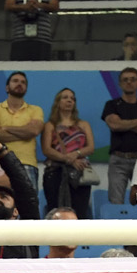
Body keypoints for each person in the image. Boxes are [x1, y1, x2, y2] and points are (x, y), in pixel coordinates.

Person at [100, 68, 137, 206]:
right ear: (120, 84)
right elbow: (114, 125)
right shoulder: (111, 105)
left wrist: (123, 123)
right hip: (118, 160)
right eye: (125, 79)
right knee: (116, 202)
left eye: (133, 79)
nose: (129, 82)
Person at [38, 87, 95, 217]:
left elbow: (90, 147)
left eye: (72, 98)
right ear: (58, 102)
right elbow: (47, 150)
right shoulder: (50, 125)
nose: (69, 100)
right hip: (55, 173)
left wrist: (76, 154)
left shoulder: (83, 124)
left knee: (79, 212)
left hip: (79, 173)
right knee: (55, 212)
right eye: (65, 97)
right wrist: (69, 160)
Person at [0, 71, 43, 188]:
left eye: (23, 82)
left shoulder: (35, 110)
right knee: (0, 203)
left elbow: (34, 131)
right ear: (7, 88)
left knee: (28, 205)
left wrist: (6, 128)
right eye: (15, 81)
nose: (19, 84)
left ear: (26, 89)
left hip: (27, 164)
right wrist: (24, 133)